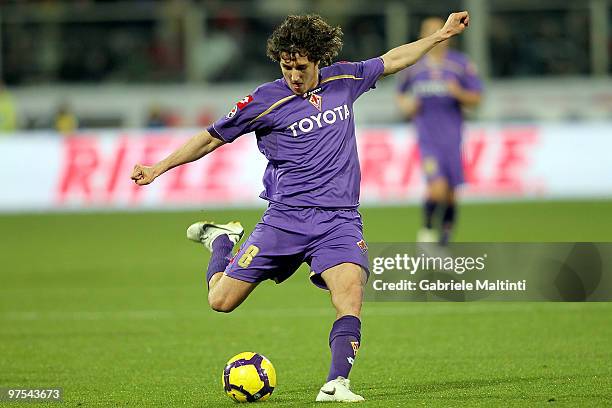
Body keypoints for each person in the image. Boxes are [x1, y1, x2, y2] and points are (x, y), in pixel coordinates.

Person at [131, 12, 470, 402]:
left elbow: (393, 59)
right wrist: (158, 167)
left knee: (350, 295)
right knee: (220, 301)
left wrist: (441, 35)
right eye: (286, 66)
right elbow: (210, 139)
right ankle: (222, 241)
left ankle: (336, 383)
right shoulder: (264, 99)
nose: (293, 75)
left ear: (318, 60)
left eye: (301, 67)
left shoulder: (345, 79)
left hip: (339, 220)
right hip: (284, 220)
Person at [397, 17, 483, 246]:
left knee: (452, 193)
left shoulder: (461, 64)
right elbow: (400, 95)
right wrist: (406, 105)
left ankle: (444, 240)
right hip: (428, 140)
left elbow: (476, 98)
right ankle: (426, 231)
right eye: (430, 31)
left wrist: (459, 94)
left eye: (440, 30)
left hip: (453, 139)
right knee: (437, 189)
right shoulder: (414, 67)